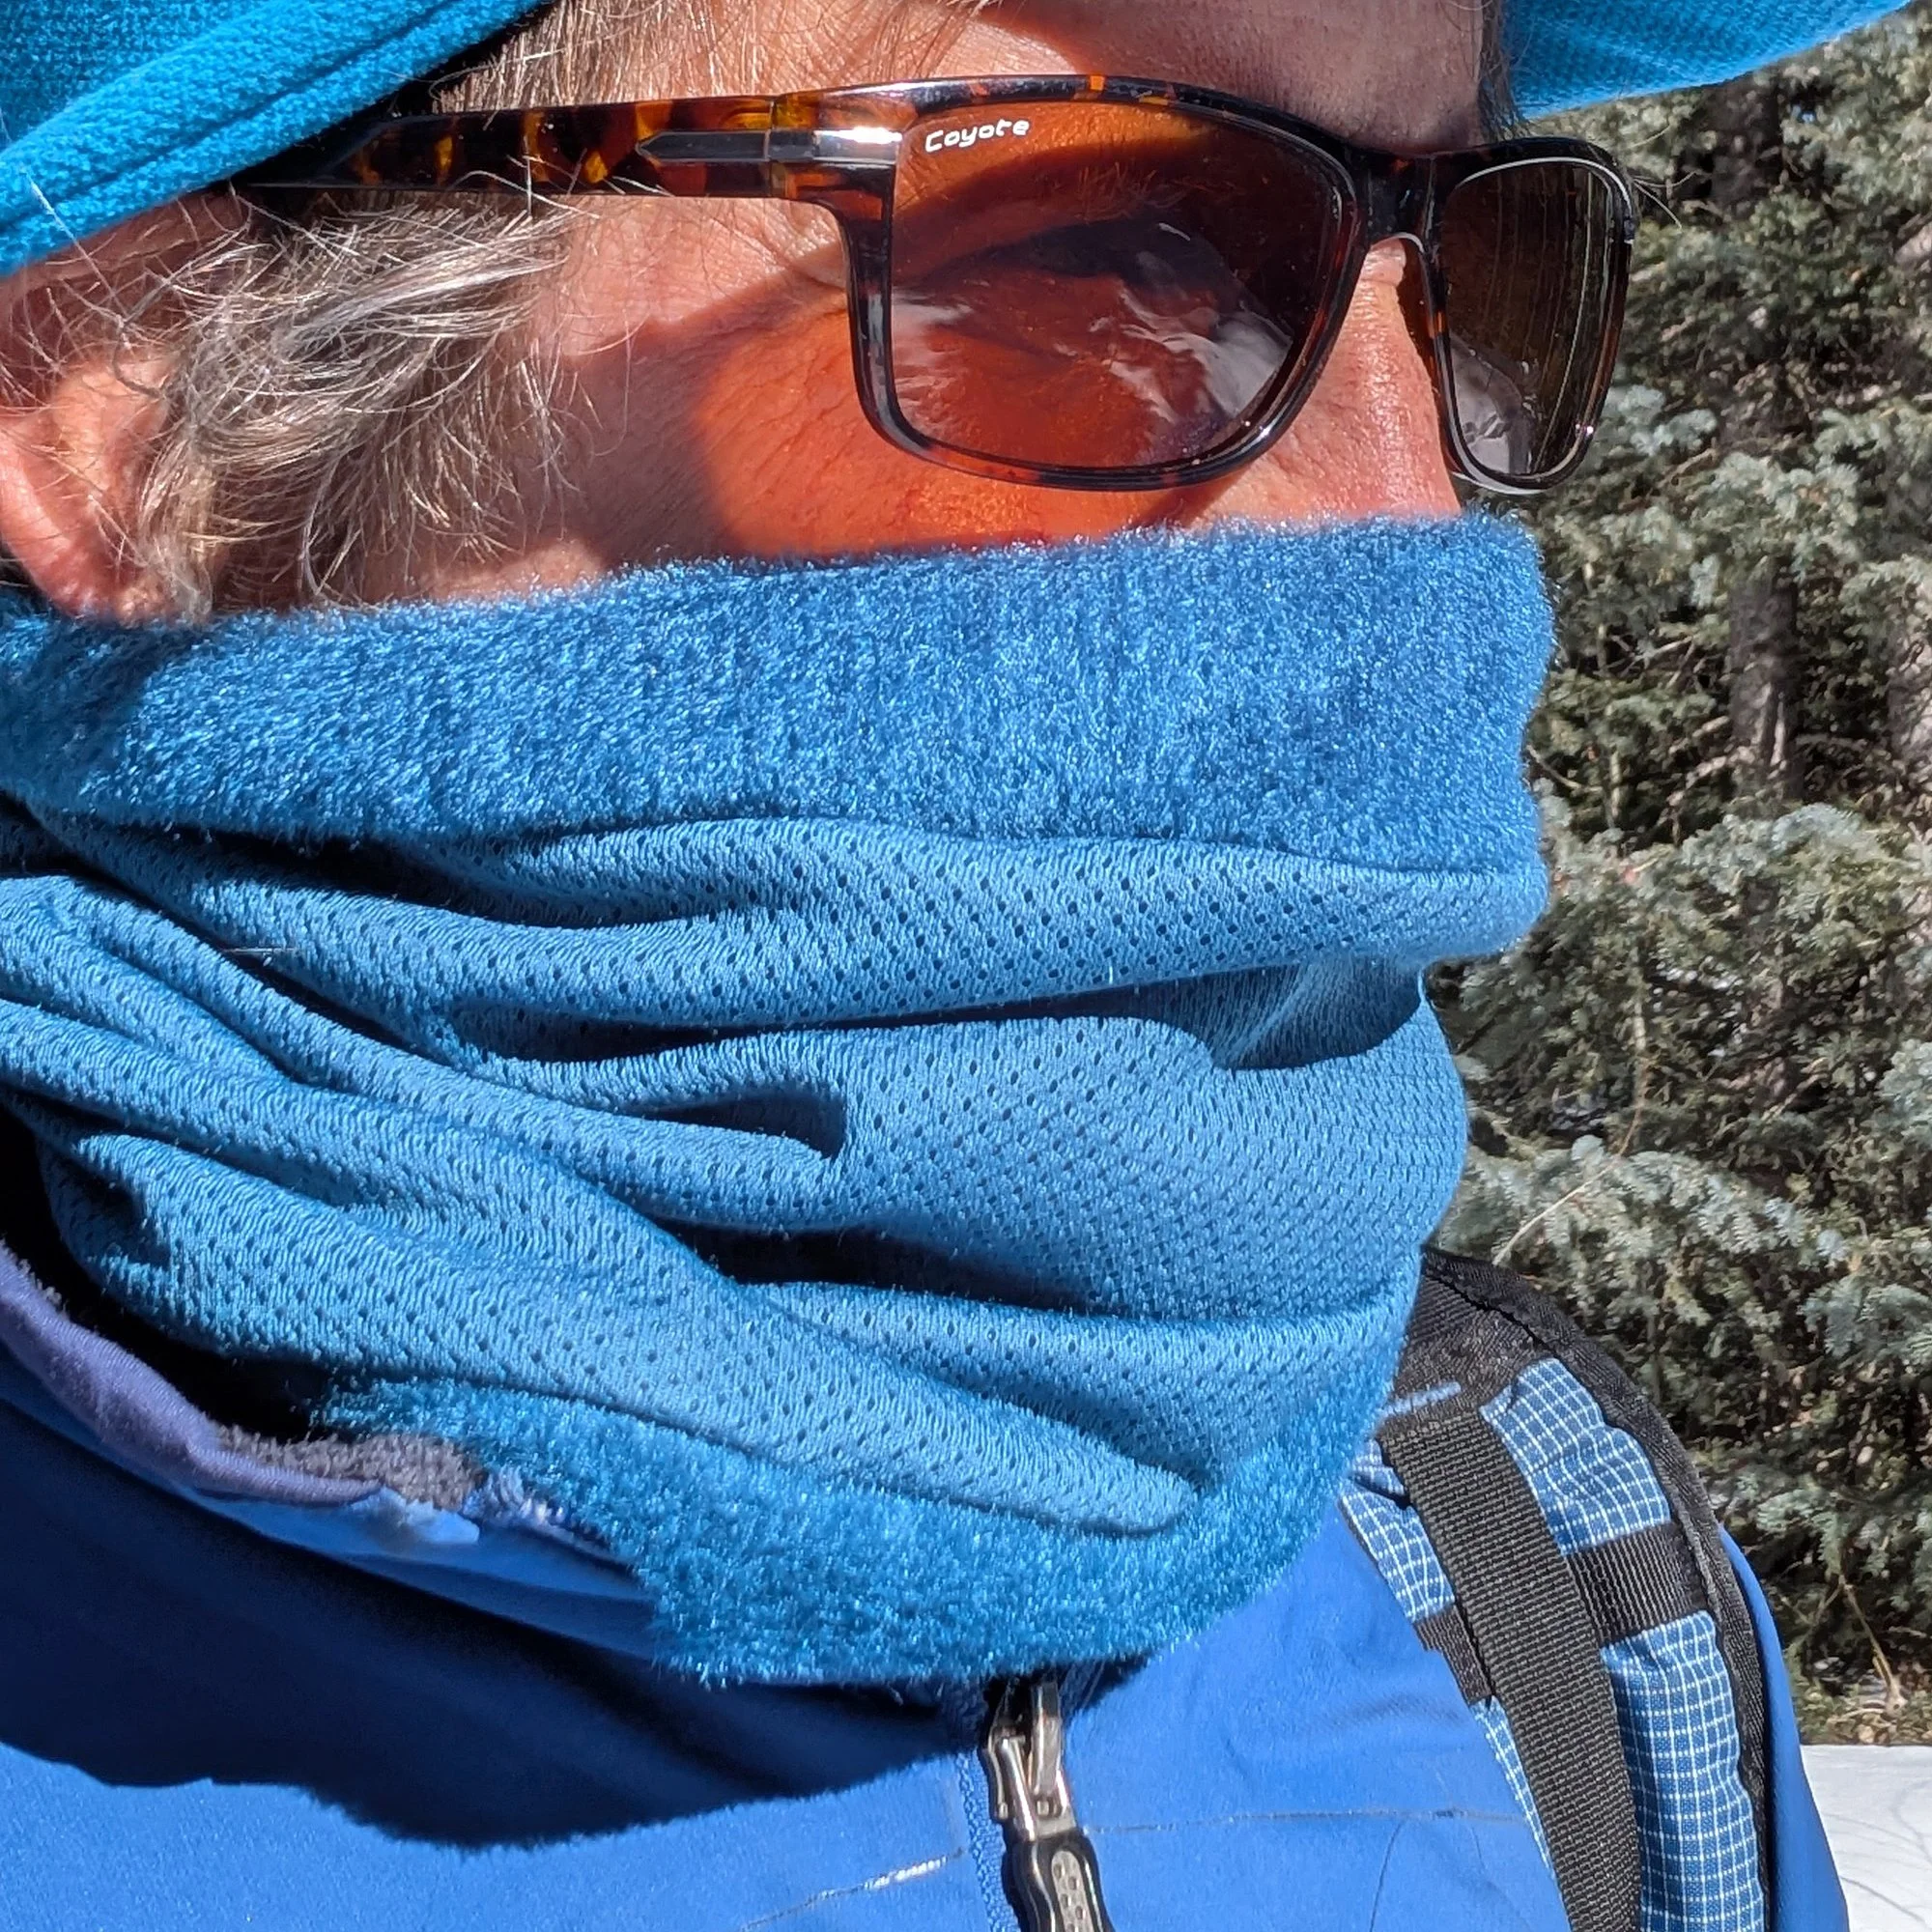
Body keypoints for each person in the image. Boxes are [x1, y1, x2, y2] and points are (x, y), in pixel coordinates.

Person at [0, 2, 1903, 1927]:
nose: (1399, 518)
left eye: (1477, 268)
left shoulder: (1533, 1553)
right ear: (126, 402)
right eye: (1099, 261)